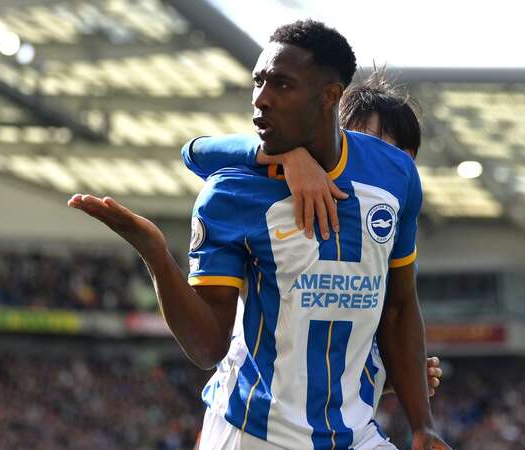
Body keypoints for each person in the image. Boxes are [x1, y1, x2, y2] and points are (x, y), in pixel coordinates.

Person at [69, 20, 450, 450]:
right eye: (258, 82)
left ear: (329, 96)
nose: (261, 99)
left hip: (352, 433)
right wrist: (156, 253)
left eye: (282, 85)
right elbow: (208, 346)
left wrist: (423, 423)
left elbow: (399, 308)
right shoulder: (232, 192)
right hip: (254, 432)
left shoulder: (394, 176)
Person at [184, 69, 443, 409]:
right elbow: (195, 152)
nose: (387, 166)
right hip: (249, 409)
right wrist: (285, 155)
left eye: (403, 158)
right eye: (371, 144)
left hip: (324, 422)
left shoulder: (384, 225)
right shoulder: (275, 191)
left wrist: (389, 377)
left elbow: (338, 350)